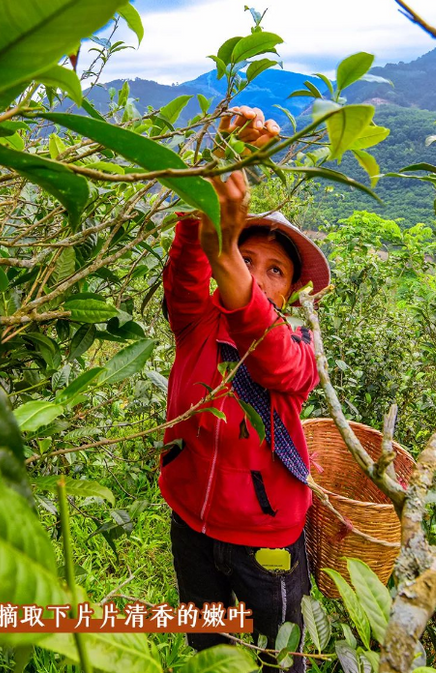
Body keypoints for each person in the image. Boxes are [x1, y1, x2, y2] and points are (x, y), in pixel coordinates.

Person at [159, 106, 331, 672]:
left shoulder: (297, 345)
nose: (257, 273)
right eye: (247, 258)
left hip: (266, 539)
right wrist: (219, 168)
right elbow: (187, 264)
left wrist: (226, 252)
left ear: (292, 292)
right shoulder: (197, 319)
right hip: (191, 517)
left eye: (275, 269)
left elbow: (267, 349)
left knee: (281, 655)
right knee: (209, 645)